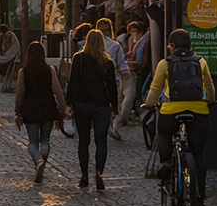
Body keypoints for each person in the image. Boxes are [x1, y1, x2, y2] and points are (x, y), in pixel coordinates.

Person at [143, 28, 217, 206]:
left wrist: (148, 104)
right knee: (198, 154)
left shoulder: (164, 63)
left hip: (171, 111)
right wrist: (210, 100)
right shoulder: (201, 62)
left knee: (164, 133)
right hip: (198, 111)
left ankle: (167, 162)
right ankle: (199, 198)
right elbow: (209, 85)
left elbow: (155, 87)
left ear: (171, 46)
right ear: (190, 46)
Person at [66, 29, 119, 190]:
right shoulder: (107, 62)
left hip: (82, 104)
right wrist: (115, 107)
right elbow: (112, 87)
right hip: (101, 105)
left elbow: (73, 82)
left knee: (84, 141)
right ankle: (99, 173)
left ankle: (84, 176)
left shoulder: (79, 58)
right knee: (101, 141)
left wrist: (69, 104)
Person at [14, 41, 68, 183]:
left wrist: (17, 110)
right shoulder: (49, 70)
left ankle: (38, 161)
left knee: (32, 142)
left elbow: (20, 93)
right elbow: (58, 91)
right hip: (48, 108)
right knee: (45, 140)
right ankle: (42, 161)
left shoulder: (23, 72)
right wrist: (62, 110)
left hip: (30, 110)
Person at [96, 18, 130, 141]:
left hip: (96, 83)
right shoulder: (115, 46)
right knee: (112, 105)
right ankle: (111, 126)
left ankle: (106, 126)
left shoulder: (87, 46)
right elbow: (122, 66)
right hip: (112, 81)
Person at [0, 23, 22, 90]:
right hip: (7, 55)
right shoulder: (3, 36)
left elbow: (14, 45)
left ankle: (7, 82)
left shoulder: (8, 35)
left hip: (6, 55)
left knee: (6, 68)